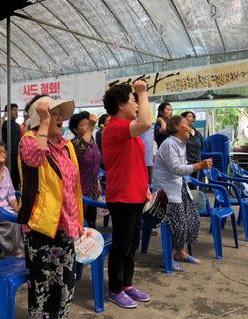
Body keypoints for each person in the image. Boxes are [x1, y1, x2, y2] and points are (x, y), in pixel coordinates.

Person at [19, 94, 84, 318]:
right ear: (40, 118)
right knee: (43, 287)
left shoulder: (66, 147)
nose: (59, 119)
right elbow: (35, 159)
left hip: (65, 224)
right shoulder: (29, 140)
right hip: (41, 226)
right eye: (53, 114)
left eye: (59, 115)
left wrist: (78, 221)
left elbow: (73, 187)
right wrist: (44, 123)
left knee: (65, 282)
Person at [102, 80, 152, 309]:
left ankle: (127, 284)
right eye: (133, 100)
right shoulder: (114, 128)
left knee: (132, 243)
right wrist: (142, 92)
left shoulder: (128, 131)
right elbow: (146, 121)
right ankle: (115, 289)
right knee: (121, 245)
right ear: (122, 105)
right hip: (122, 197)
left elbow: (135, 164)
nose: (137, 104)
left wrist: (145, 188)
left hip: (135, 195)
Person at [153, 116, 212, 271]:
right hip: (166, 193)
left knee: (192, 219)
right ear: (177, 127)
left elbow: (181, 168)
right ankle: (170, 256)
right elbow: (176, 169)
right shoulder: (169, 144)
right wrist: (199, 165)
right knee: (179, 225)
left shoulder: (181, 144)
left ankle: (182, 252)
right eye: (186, 123)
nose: (190, 126)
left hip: (178, 186)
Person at [68, 111, 101, 228]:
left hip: (92, 189)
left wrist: (97, 182)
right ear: (75, 130)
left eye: (88, 124)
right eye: (83, 125)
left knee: (92, 220)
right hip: (79, 189)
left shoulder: (93, 142)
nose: (87, 127)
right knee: (81, 221)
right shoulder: (74, 143)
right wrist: (91, 126)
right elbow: (82, 148)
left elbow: (95, 163)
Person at [180, 111, 204, 182]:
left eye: (193, 117)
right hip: (186, 164)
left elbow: (201, 147)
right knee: (185, 184)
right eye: (189, 116)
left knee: (194, 185)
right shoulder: (182, 133)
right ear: (183, 119)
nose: (192, 118)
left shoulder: (198, 133)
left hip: (197, 163)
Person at [2, 103, 21, 190]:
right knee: (7, 177)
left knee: (16, 178)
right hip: (7, 155)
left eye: (17, 110)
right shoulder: (4, 124)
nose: (16, 112)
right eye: (14, 110)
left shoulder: (17, 126)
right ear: (8, 112)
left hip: (17, 155)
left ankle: (16, 197)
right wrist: (3, 117)